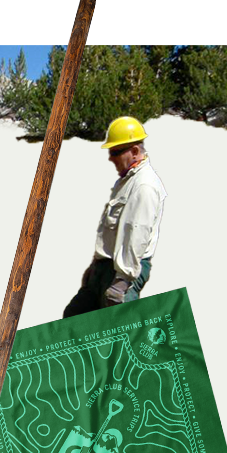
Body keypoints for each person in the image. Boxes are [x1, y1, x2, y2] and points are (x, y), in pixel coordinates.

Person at [64, 116, 167, 317]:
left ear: (135, 151)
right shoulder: (127, 180)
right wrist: (95, 267)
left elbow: (136, 235)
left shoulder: (144, 186)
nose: (110, 158)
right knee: (75, 315)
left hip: (123, 271)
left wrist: (122, 282)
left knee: (119, 327)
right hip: (105, 267)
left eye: (115, 152)